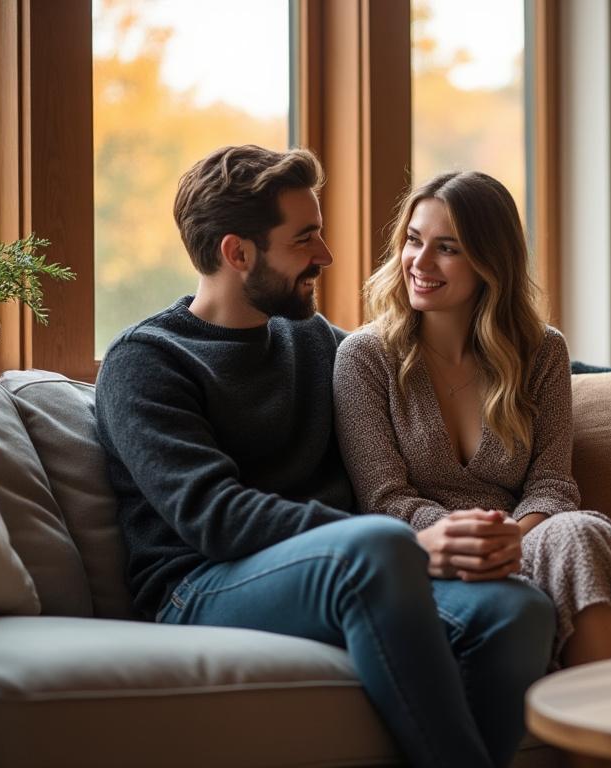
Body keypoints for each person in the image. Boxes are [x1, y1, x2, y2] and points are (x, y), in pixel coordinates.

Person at [95, 145, 554, 768]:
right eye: (305, 238)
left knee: (516, 610)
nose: (327, 255)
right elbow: (215, 516)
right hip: (201, 585)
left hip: (354, 569)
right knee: (380, 546)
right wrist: (408, 545)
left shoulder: (308, 338)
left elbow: (449, 357)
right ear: (238, 253)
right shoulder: (147, 361)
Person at [334, 170, 611, 669]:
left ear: (490, 261)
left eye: (448, 248)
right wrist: (475, 541)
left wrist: (514, 537)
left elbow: (553, 484)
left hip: (533, 543)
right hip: (432, 555)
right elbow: (384, 499)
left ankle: (607, 725)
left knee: (579, 529)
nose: (419, 262)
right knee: (605, 586)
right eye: (413, 241)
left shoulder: (541, 351)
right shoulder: (364, 358)